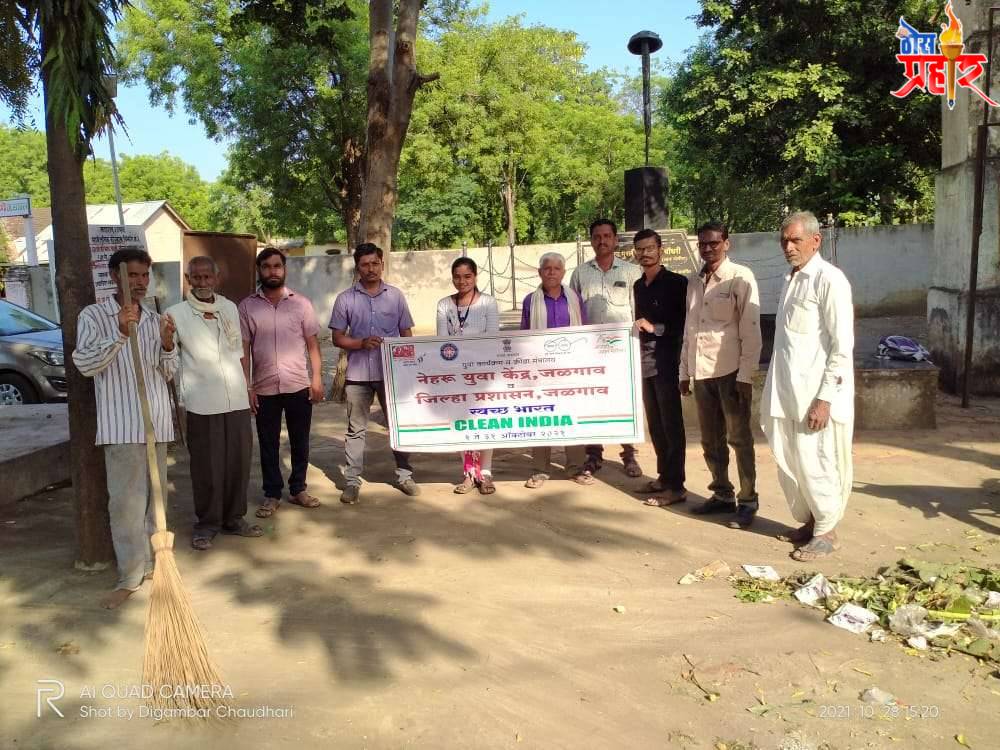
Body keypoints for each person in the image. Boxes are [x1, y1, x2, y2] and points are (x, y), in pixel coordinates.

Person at [73, 248, 178, 609]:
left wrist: (167, 347)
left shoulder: (154, 318)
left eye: (144, 276)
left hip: (156, 423)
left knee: (156, 503)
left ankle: (155, 565)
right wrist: (119, 333)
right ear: (115, 276)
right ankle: (130, 576)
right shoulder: (94, 315)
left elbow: (168, 373)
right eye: (132, 275)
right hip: (122, 425)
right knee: (126, 506)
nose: (139, 283)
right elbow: (85, 364)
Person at [761, 211, 854, 560]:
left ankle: (827, 532)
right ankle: (812, 522)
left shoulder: (830, 280)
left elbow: (841, 346)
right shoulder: (791, 279)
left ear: (815, 240)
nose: (788, 246)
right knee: (794, 460)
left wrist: (825, 399)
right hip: (787, 391)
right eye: (784, 240)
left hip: (816, 396)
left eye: (795, 240)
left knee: (819, 460)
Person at [167, 257, 262, 550]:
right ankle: (206, 524)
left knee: (238, 461)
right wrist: (166, 343)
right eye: (196, 277)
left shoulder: (229, 307)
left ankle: (234, 518)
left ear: (216, 278)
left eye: (208, 277)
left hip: (235, 397)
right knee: (207, 466)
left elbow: (239, 352)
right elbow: (169, 359)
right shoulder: (175, 314)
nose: (202, 283)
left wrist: (249, 386)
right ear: (188, 278)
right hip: (202, 401)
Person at [681, 222, 763, 528]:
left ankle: (748, 500)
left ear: (726, 244)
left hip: (731, 373)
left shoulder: (740, 277)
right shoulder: (694, 281)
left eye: (714, 243)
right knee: (710, 440)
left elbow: (751, 330)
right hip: (702, 373)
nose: (707, 249)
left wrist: (745, 374)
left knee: (739, 439)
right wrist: (684, 371)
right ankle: (722, 493)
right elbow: (691, 329)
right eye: (702, 244)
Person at [330, 243, 419, 504]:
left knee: (398, 425)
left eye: (375, 263)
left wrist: (409, 370)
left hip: (391, 374)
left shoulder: (396, 296)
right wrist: (360, 343)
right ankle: (352, 481)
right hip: (358, 375)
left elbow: (406, 335)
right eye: (365, 264)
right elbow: (337, 337)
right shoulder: (345, 299)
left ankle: (404, 476)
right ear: (357, 268)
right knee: (356, 429)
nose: (371, 269)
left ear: (382, 264)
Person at [238, 247, 324, 518]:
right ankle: (272, 493)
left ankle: (298, 489)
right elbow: (244, 350)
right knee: (267, 443)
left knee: (300, 441)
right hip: (264, 388)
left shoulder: (302, 304)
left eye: (277, 266)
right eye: (266, 267)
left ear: (284, 269)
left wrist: (317, 378)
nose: (272, 271)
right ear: (259, 270)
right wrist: (247, 387)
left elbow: (312, 345)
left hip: (298, 385)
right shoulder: (247, 306)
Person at [569, 218, 643, 477]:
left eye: (607, 236)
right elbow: (574, 311)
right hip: (590, 349)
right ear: (591, 240)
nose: (602, 241)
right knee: (592, 400)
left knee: (625, 400)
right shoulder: (580, 273)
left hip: (622, 349)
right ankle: (593, 454)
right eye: (597, 236)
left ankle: (629, 454)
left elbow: (637, 310)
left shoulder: (631, 272)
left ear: (615, 240)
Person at [521, 253, 594, 489]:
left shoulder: (574, 299)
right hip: (539, 370)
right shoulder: (529, 301)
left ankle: (575, 467)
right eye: (547, 268)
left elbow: (582, 332)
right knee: (540, 417)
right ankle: (540, 469)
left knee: (572, 416)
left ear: (563, 273)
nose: (551, 272)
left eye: (556, 268)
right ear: (539, 272)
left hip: (570, 370)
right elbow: (524, 337)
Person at [630, 229, 689, 507]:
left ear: (661, 249)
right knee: (655, 425)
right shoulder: (638, 286)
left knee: (672, 425)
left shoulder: (678, 283)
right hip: (643, 364)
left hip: (667, 364)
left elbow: (684, 326)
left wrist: (656, 328)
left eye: (649, 248)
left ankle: (676, 486)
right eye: (640, 249)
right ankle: (664, 478)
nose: (645, 253)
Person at [436, 257, 500, 495]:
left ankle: (486, 474)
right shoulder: (444, 304)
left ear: (475, 277)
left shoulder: (488, 303)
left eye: (467, 276)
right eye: (457, 276)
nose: (461, 281)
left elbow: (492, 338)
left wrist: (473, 358)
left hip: (483, 374)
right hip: (455, 374)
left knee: (484, 421)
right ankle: (468, 474)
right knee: (461, 422)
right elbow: (442, 342)